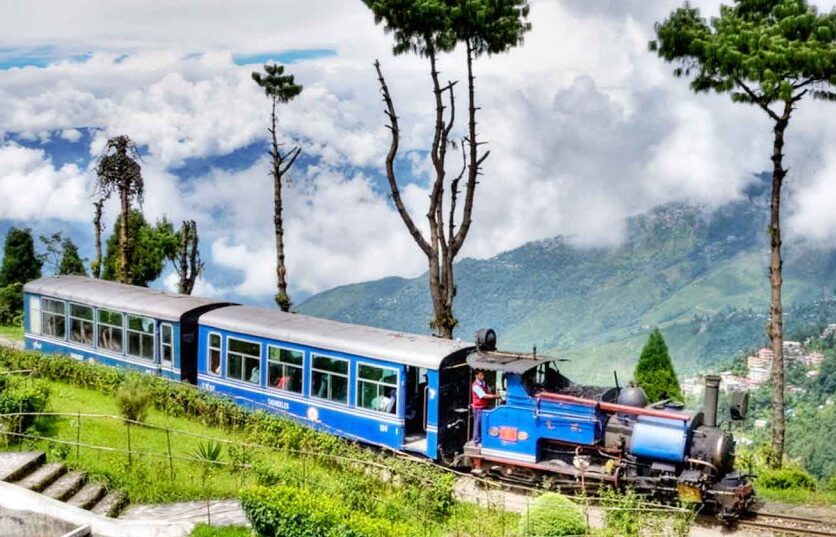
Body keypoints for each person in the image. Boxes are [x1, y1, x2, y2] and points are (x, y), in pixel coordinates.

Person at [471, 370, 500, 445]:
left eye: (483, 375)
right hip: (478, 408)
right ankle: (476, 440)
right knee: (478, 424)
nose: (482, 376)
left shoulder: (483, 383)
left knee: (483, 423)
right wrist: (495, 396)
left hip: (484, 406)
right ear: (476, 376)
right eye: (480, 375)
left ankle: (482, 439)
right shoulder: (475, 386)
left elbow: (489, 390)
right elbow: (483, 395)